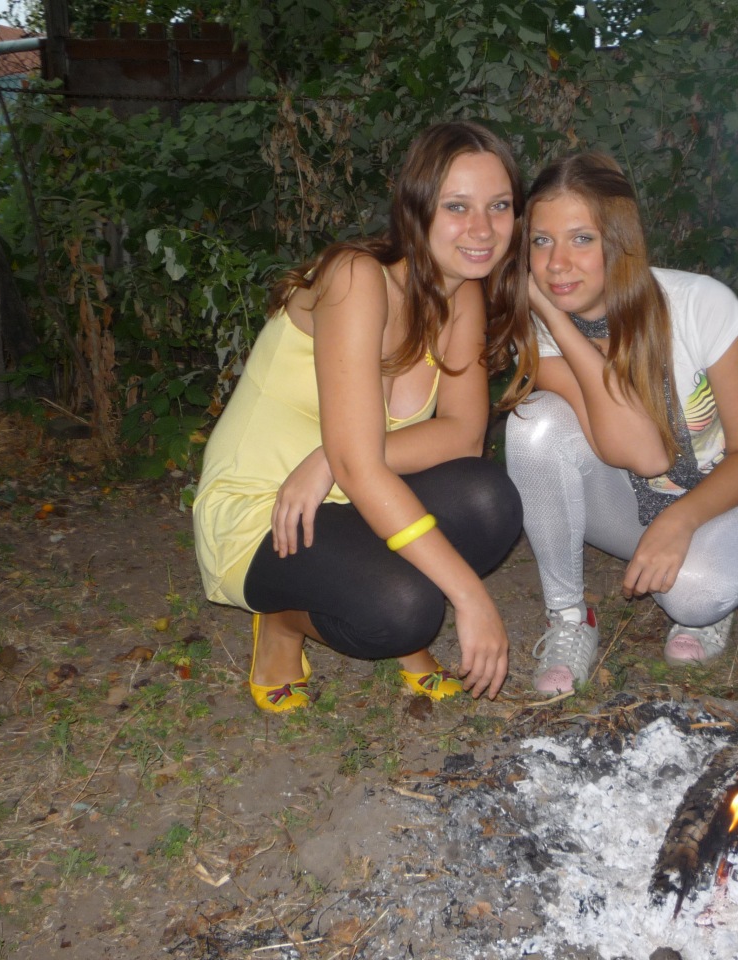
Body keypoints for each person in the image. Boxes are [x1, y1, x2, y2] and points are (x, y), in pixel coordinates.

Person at [193, 121, 525, 713]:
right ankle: (283, 622)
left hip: (350, 493)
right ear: (415, 208)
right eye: (457, 206)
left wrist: (332, 458)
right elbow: (361, 465)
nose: (482, 229)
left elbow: (463, 436)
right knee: (403, 611)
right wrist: (470, 596)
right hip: (266, 508)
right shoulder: (355, 277)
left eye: (499, 206)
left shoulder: (462, 294)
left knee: (487, 498)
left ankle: (371, 580)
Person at [492, 152, 738, 695]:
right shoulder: (540, 331)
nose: (557, 263)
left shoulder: (699, 304)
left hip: (733, 499)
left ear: (620, 241)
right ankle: (569, 617)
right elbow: (645, 455)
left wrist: (682, 521)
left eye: (582, 239)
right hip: (629, 503)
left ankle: (709, 596)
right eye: (541, 241)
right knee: (534, 421)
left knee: (695, 597)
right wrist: (554, 318)